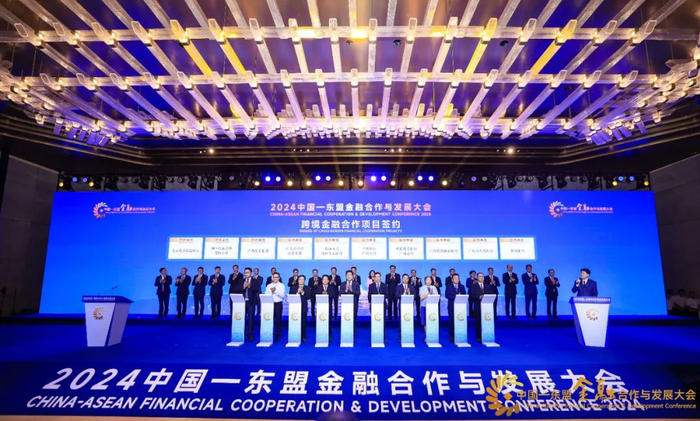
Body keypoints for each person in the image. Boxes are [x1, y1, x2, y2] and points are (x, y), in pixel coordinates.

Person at [445, 273, 466, 342]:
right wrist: (456, 297)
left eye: (458, 278)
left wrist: (460, 297)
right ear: (452, 279)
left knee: (460, 320)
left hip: (460, 307)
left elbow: (464, 295)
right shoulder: (449, 286)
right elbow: (447, 295)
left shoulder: (462, 286)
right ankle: (452, 335)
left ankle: (460, 333)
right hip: (452, 306)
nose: (456, 280)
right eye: (455, 278)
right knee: (452, 320)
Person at [241, 267, 261, 342]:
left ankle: (250, 335)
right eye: (245, 272)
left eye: (247, 272)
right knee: (241, 319)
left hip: (251, 302)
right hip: (242, 303)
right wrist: (243, 287)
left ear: (251, 273)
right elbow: (237, 289)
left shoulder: (254, 281)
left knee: (250, 319)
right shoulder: (242, 280)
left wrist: (249, 286)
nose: (246, 274)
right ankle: (242, 335)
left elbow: (256, 289)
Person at [290, 275, 311, 342]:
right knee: (294, 322)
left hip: (303, 307)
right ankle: (294, 335)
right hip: (294, 308)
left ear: (304, 280)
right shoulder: (293, 287)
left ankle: (303, 336)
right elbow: (290, 296)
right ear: (298, 280)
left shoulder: (307, 288)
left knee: (303, 323)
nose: (301, 281)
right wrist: (297, 293)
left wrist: (302, 292)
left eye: (302, 279)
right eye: (300, 279)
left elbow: (308, 297)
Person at [266, 273, 285, 341]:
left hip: (278, 304)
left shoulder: (281, 285)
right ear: (272, 278)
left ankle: (278, 334)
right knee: (270, 319)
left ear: (279, 278)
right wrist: (271, 292)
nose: (275, 278)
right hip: (270, 304)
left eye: (276, 277)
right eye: (274, 277)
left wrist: (275, 291)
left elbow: (282, 295)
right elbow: (266, 294)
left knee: (278, 319)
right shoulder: (269, 285)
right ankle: (270, 332)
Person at [316, 275, 336, 339]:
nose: (324, 280)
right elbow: (316, 295)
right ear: (322, 280)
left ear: (328, 281)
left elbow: (333, 295)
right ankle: (321, 334)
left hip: (328, 307)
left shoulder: (331, 287)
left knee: (329, 321)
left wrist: (327, 294)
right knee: (321, 320)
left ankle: (329, 335)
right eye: (323, 279)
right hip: (320, 307)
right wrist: (322, 294)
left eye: (326, 279)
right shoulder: (319, 288)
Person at [419, 276, 438, 340]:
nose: (429, 281)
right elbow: (421, 297)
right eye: (427, 280)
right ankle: (427, 336)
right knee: (425, 322)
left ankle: (432, 335)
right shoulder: (422, 288)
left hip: (433, 307)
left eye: (430, 280)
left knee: (432, 320)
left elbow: (437, 296)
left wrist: (432, 295)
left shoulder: (434, 287)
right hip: (424, 306)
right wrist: (428, 294)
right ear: (425, 281)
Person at [470, 273, 486, 342]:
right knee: (478, 321)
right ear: (477, 277)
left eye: (482, 276)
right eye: (480, 276)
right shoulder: (474, 286)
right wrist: (478, 297)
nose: (481, 278)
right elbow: (472, 295)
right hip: (478, 306)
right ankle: (479, 336)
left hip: (486, 307)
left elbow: (490, 293)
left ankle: (486, 334)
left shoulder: (487, 285)